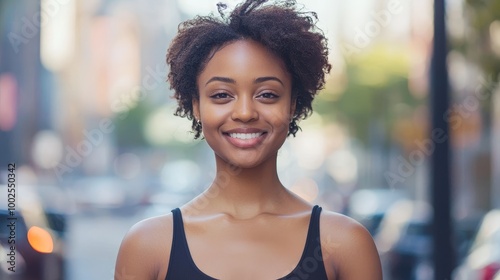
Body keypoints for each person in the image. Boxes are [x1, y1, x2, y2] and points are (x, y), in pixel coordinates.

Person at [115, 0, 382, 279]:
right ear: (196, 106)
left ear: (292, 104)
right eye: (221, 95)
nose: (244, 113)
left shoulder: (345, 244)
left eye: (267, 94)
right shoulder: (148, 246)